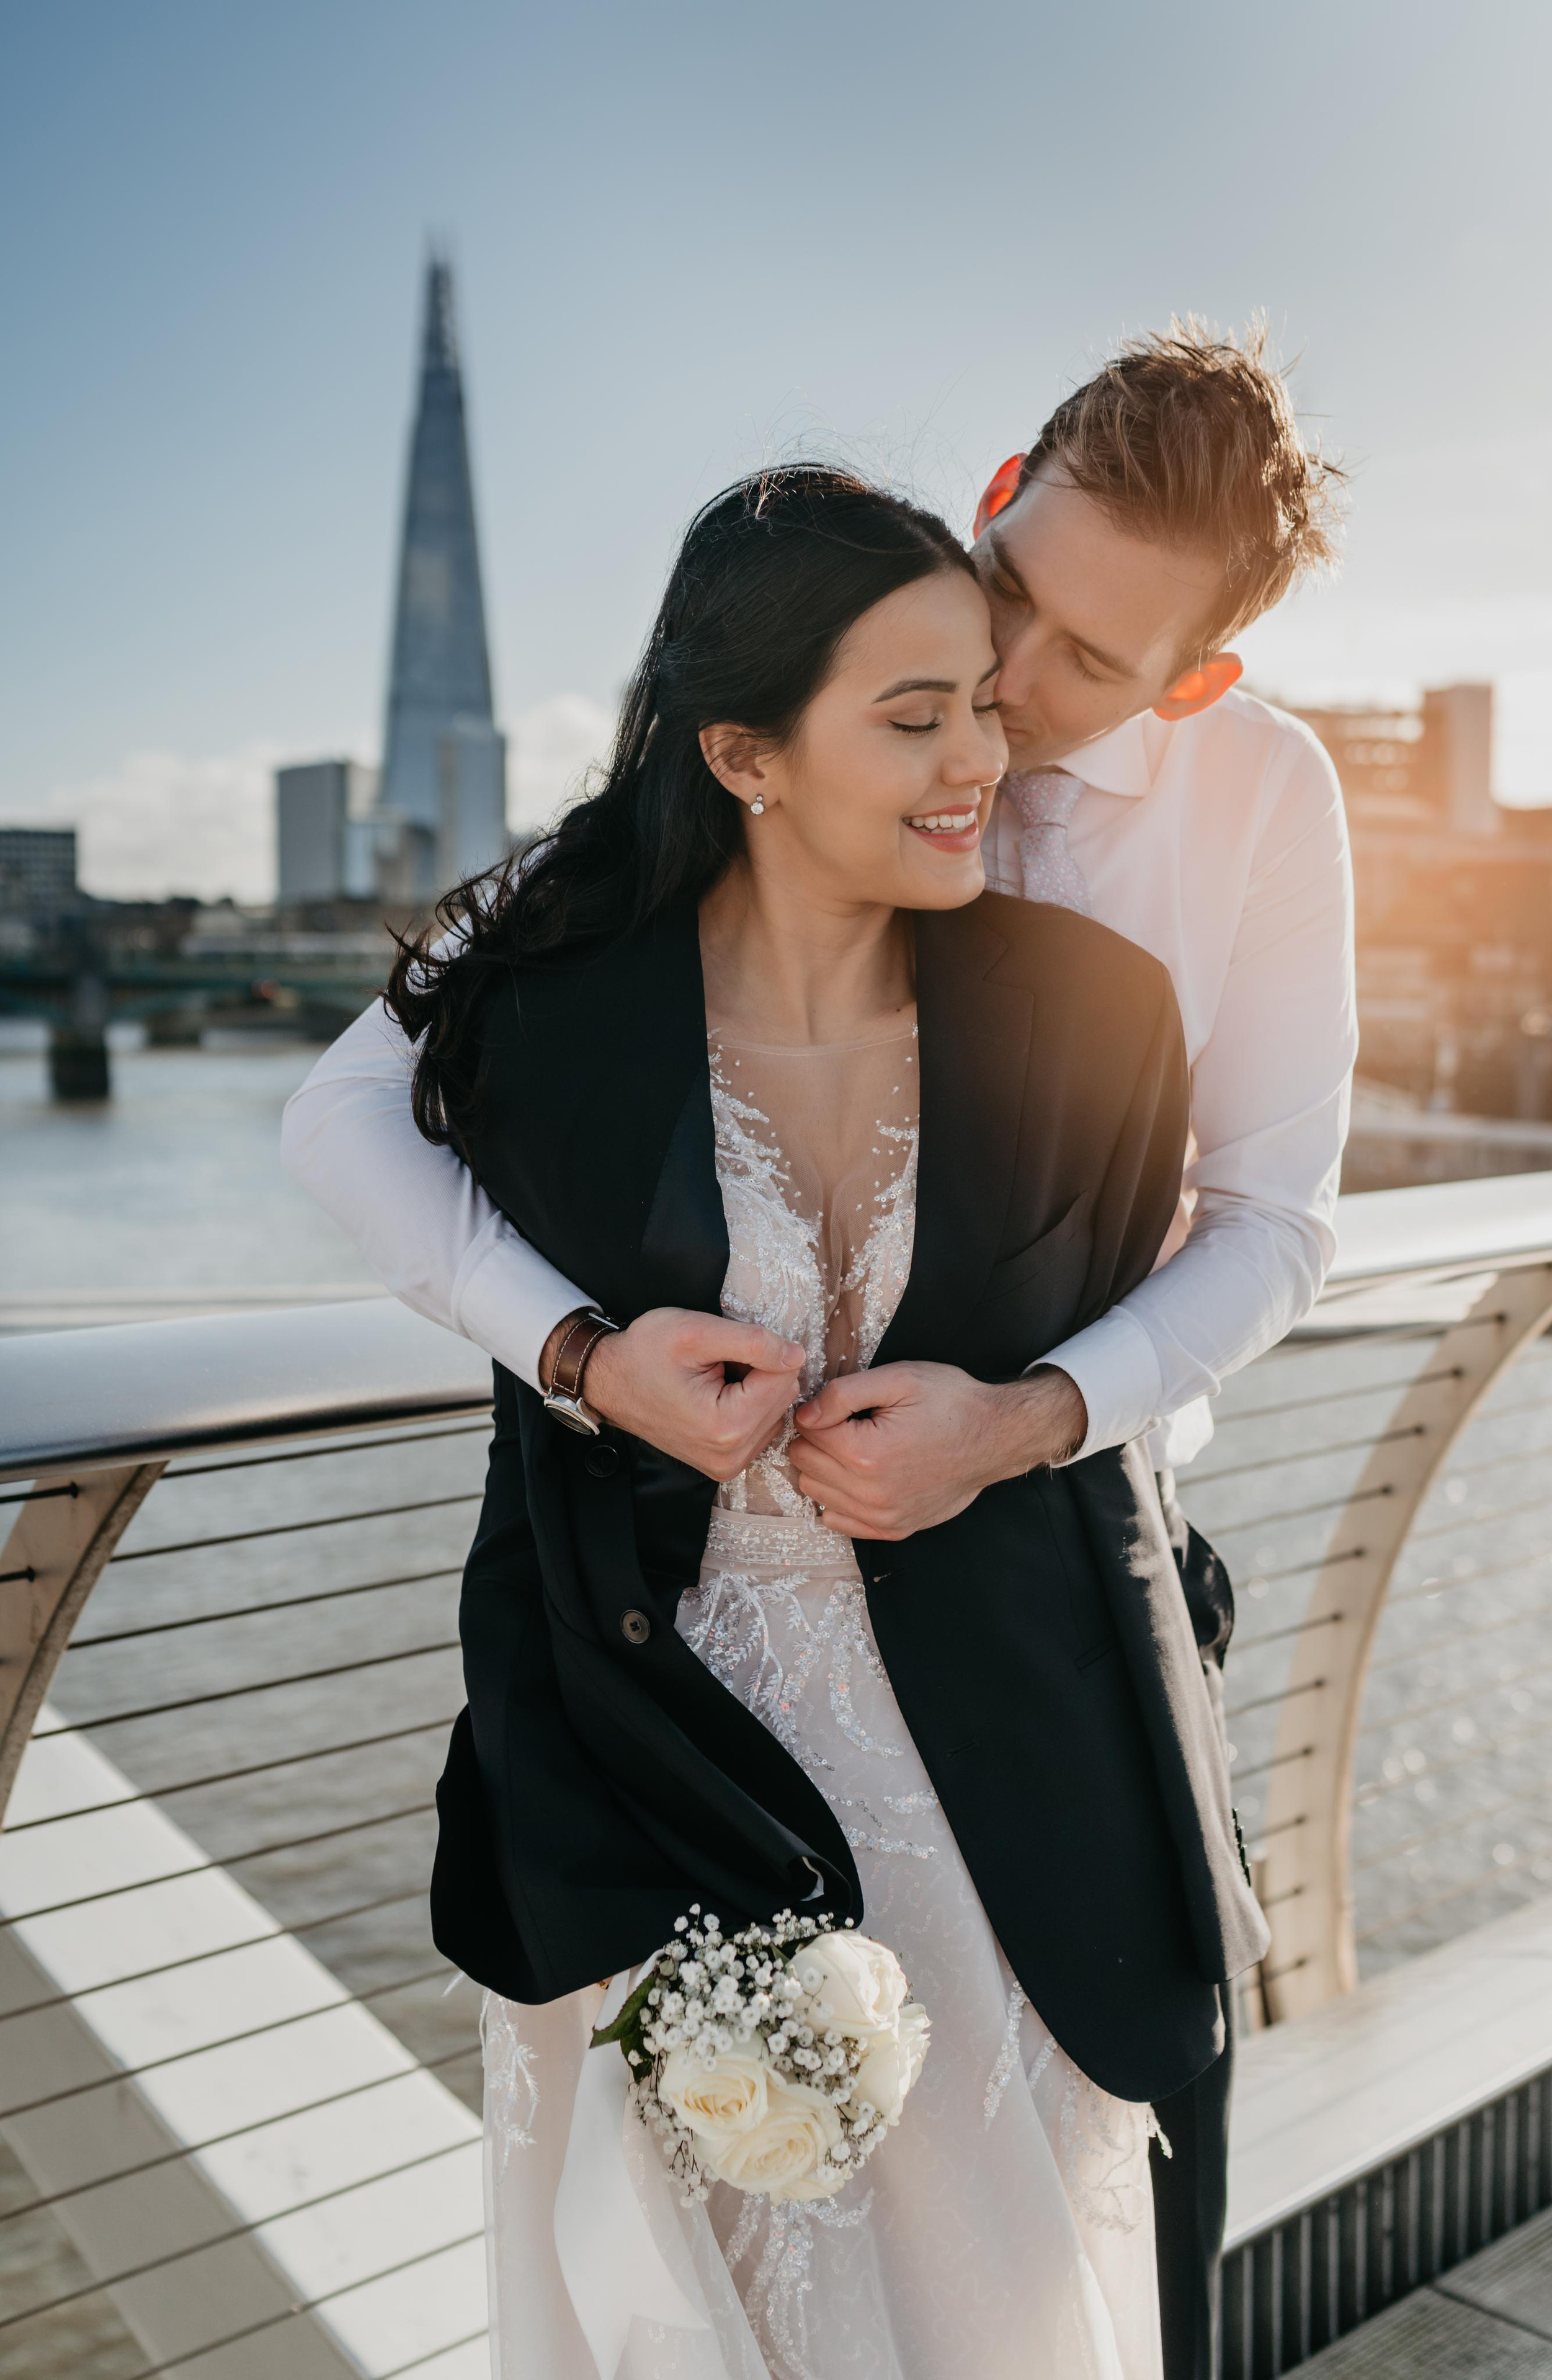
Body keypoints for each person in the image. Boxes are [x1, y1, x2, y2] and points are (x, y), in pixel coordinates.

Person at [282, 323, 1356, 2378]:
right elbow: (354, 1109)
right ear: (1002, 496)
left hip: (1046, 1599)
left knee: (1093, 2221)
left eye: (1080, 669)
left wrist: (1029, 1419)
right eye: (1003, 597)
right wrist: (581, 1356)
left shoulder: (1250, 811)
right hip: (690, 1703)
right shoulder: (770, 728)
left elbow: (1279, 1224)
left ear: (1195, 683)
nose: (1006, 706)